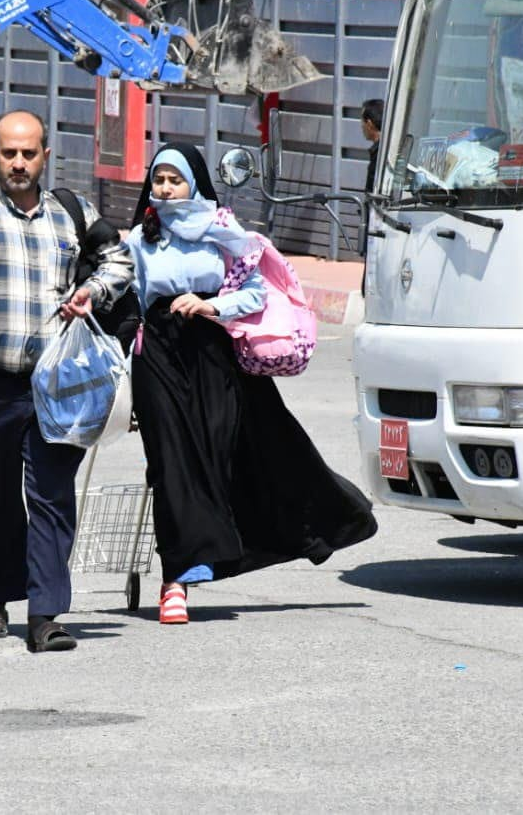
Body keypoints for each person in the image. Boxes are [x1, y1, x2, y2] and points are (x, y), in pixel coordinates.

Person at [125, 142, 377, 624]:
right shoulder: (142, 237)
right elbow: (127, 293)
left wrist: (210, 306)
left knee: (225, 453)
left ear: (194, 183)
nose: (164, 188)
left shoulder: (224, 232)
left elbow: (254, 292)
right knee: (172, 461)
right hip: (156, 353)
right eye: (158, 179)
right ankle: (175, 579)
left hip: (212, 353)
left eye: (174, 180)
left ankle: (235, 546)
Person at [0, 110, 134, 653]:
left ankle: (45, 614)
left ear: (45, 155)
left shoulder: (74, 214)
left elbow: (118, 261)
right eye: (8, 153)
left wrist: (95, 292)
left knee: (50, 496)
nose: (18, 163)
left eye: (28, 153)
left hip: (58, 385)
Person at [362, 98, 383, 195]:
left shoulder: (379, 153)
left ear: (369, 124)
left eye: (362, 121)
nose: (361, 126)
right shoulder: (383, 149)